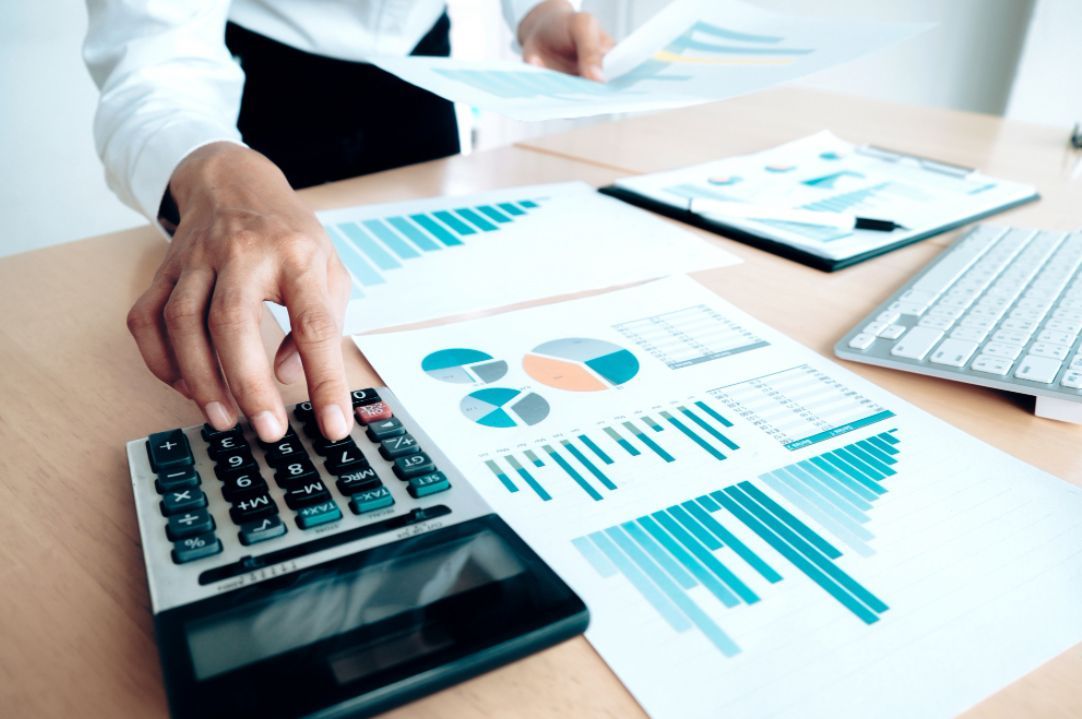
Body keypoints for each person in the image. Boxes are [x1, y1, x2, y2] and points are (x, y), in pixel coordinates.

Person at [84, 0, 613, 444]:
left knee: (428, 316)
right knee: (266, 326)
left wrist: (538, 10)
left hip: (420, 72)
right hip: (266, 80)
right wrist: (209, 165)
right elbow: (153, 59)